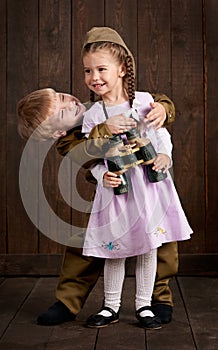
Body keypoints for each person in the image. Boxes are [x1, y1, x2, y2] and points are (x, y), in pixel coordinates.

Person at [17, 81, 178, 327]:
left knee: (160, 241)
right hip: (111, 190)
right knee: (86, 244)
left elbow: (152, 101)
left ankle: (160, 299)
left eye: (62, 96)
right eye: (61, 110)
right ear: (57, 131)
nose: (70, 102)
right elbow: (87, 158)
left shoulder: (101, 102)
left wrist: (164, 109)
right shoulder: (67, 140)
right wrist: (103, 132)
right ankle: (69, 301)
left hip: (148, 183)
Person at [76, 26, 193, 329]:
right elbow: (91, 157)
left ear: (122, 69)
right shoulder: (93, 115)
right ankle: (110, 305)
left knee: (147, 246)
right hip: (117, 191)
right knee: (114, 249)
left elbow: (160, 134)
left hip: (148, 188)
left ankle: (143, 305)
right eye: (88, 70)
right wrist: (103, 175)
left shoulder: (143, 101)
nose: (94, 77)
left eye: (101, 68)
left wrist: (165, 155)